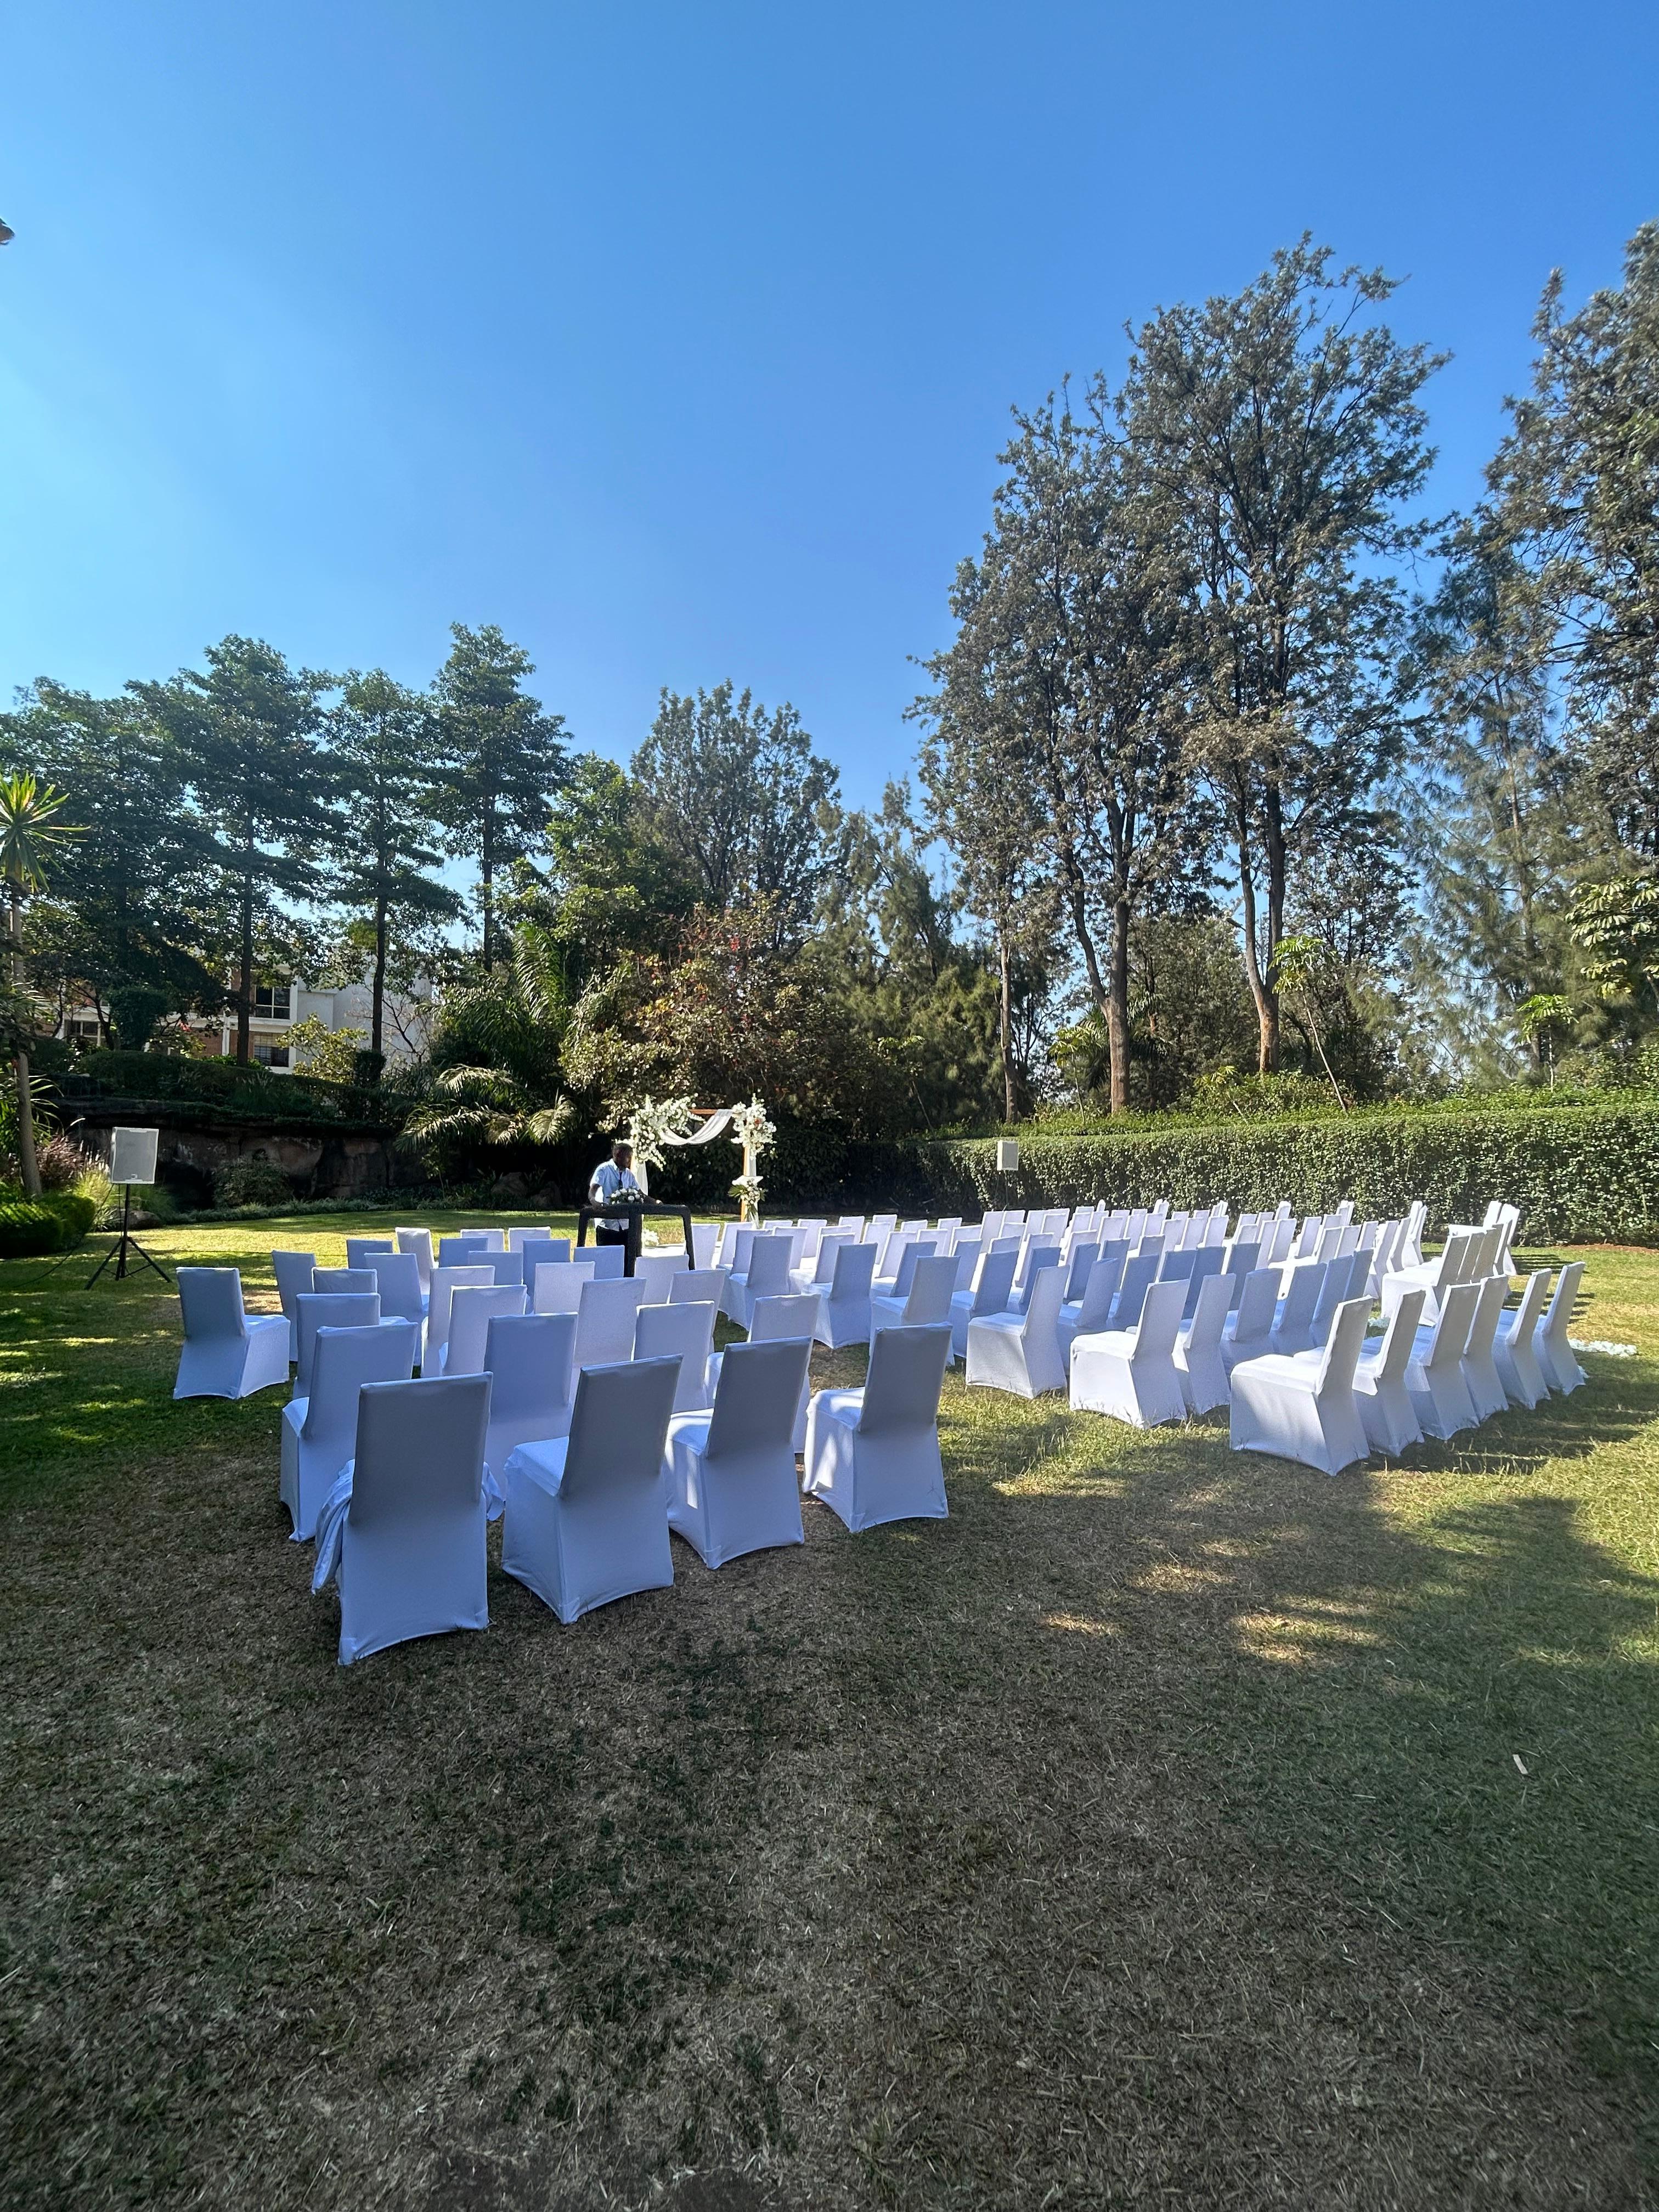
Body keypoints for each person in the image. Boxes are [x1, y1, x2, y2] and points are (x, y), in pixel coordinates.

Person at [588, 1141, 642, 1248]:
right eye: (628, 1157)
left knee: (627, 1261)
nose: (630, 1160)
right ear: (618, 1155)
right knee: (608, 1259)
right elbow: (593, 1189)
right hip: (607, 1225)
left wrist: (655, 1201)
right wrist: (593, 1201)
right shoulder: (604, 1170)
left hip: (625, 1225)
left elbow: (639, 1193)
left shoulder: (629, 1175)